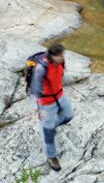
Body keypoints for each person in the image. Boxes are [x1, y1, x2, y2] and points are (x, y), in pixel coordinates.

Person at [30, 43, 73, 171]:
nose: (62, 57)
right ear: (52, 56)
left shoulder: (60, 62)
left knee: (68, 115)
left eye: (62, 54)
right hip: (47, 101)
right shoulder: (41, 68)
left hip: (59, 95)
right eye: (59, 55)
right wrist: (41, 108)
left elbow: (60, 76)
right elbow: (35, 89)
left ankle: (49, 126)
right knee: (48, 131)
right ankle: (51, 156)